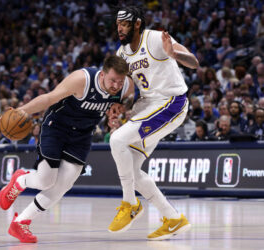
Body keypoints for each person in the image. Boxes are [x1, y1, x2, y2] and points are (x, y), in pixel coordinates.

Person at [0, 55, 134, 243]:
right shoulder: (82, 80)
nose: (116, 86)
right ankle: (20, 180)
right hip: (57, 127)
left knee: (64, 184)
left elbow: (130, 99)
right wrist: (23, 110)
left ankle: (21, 222)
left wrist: (117, 108)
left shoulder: (126, 85)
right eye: (113, 81)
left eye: (120, 82)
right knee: (46, 180)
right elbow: (49, 97)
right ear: (102, 74)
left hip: (82, 134)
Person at [108, 6, 199, 240]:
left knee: (117, 139)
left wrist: (175, 54)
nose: (119, 28)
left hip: (171, 102)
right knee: (132, 170)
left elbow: (194, 62)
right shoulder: (122, 53)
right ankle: (173, 219)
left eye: (124, 24)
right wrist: (121, 103)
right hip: (148, 105)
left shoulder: (157, 39)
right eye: (118, 24)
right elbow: (130, 88)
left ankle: (129, 203)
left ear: (137, 24)